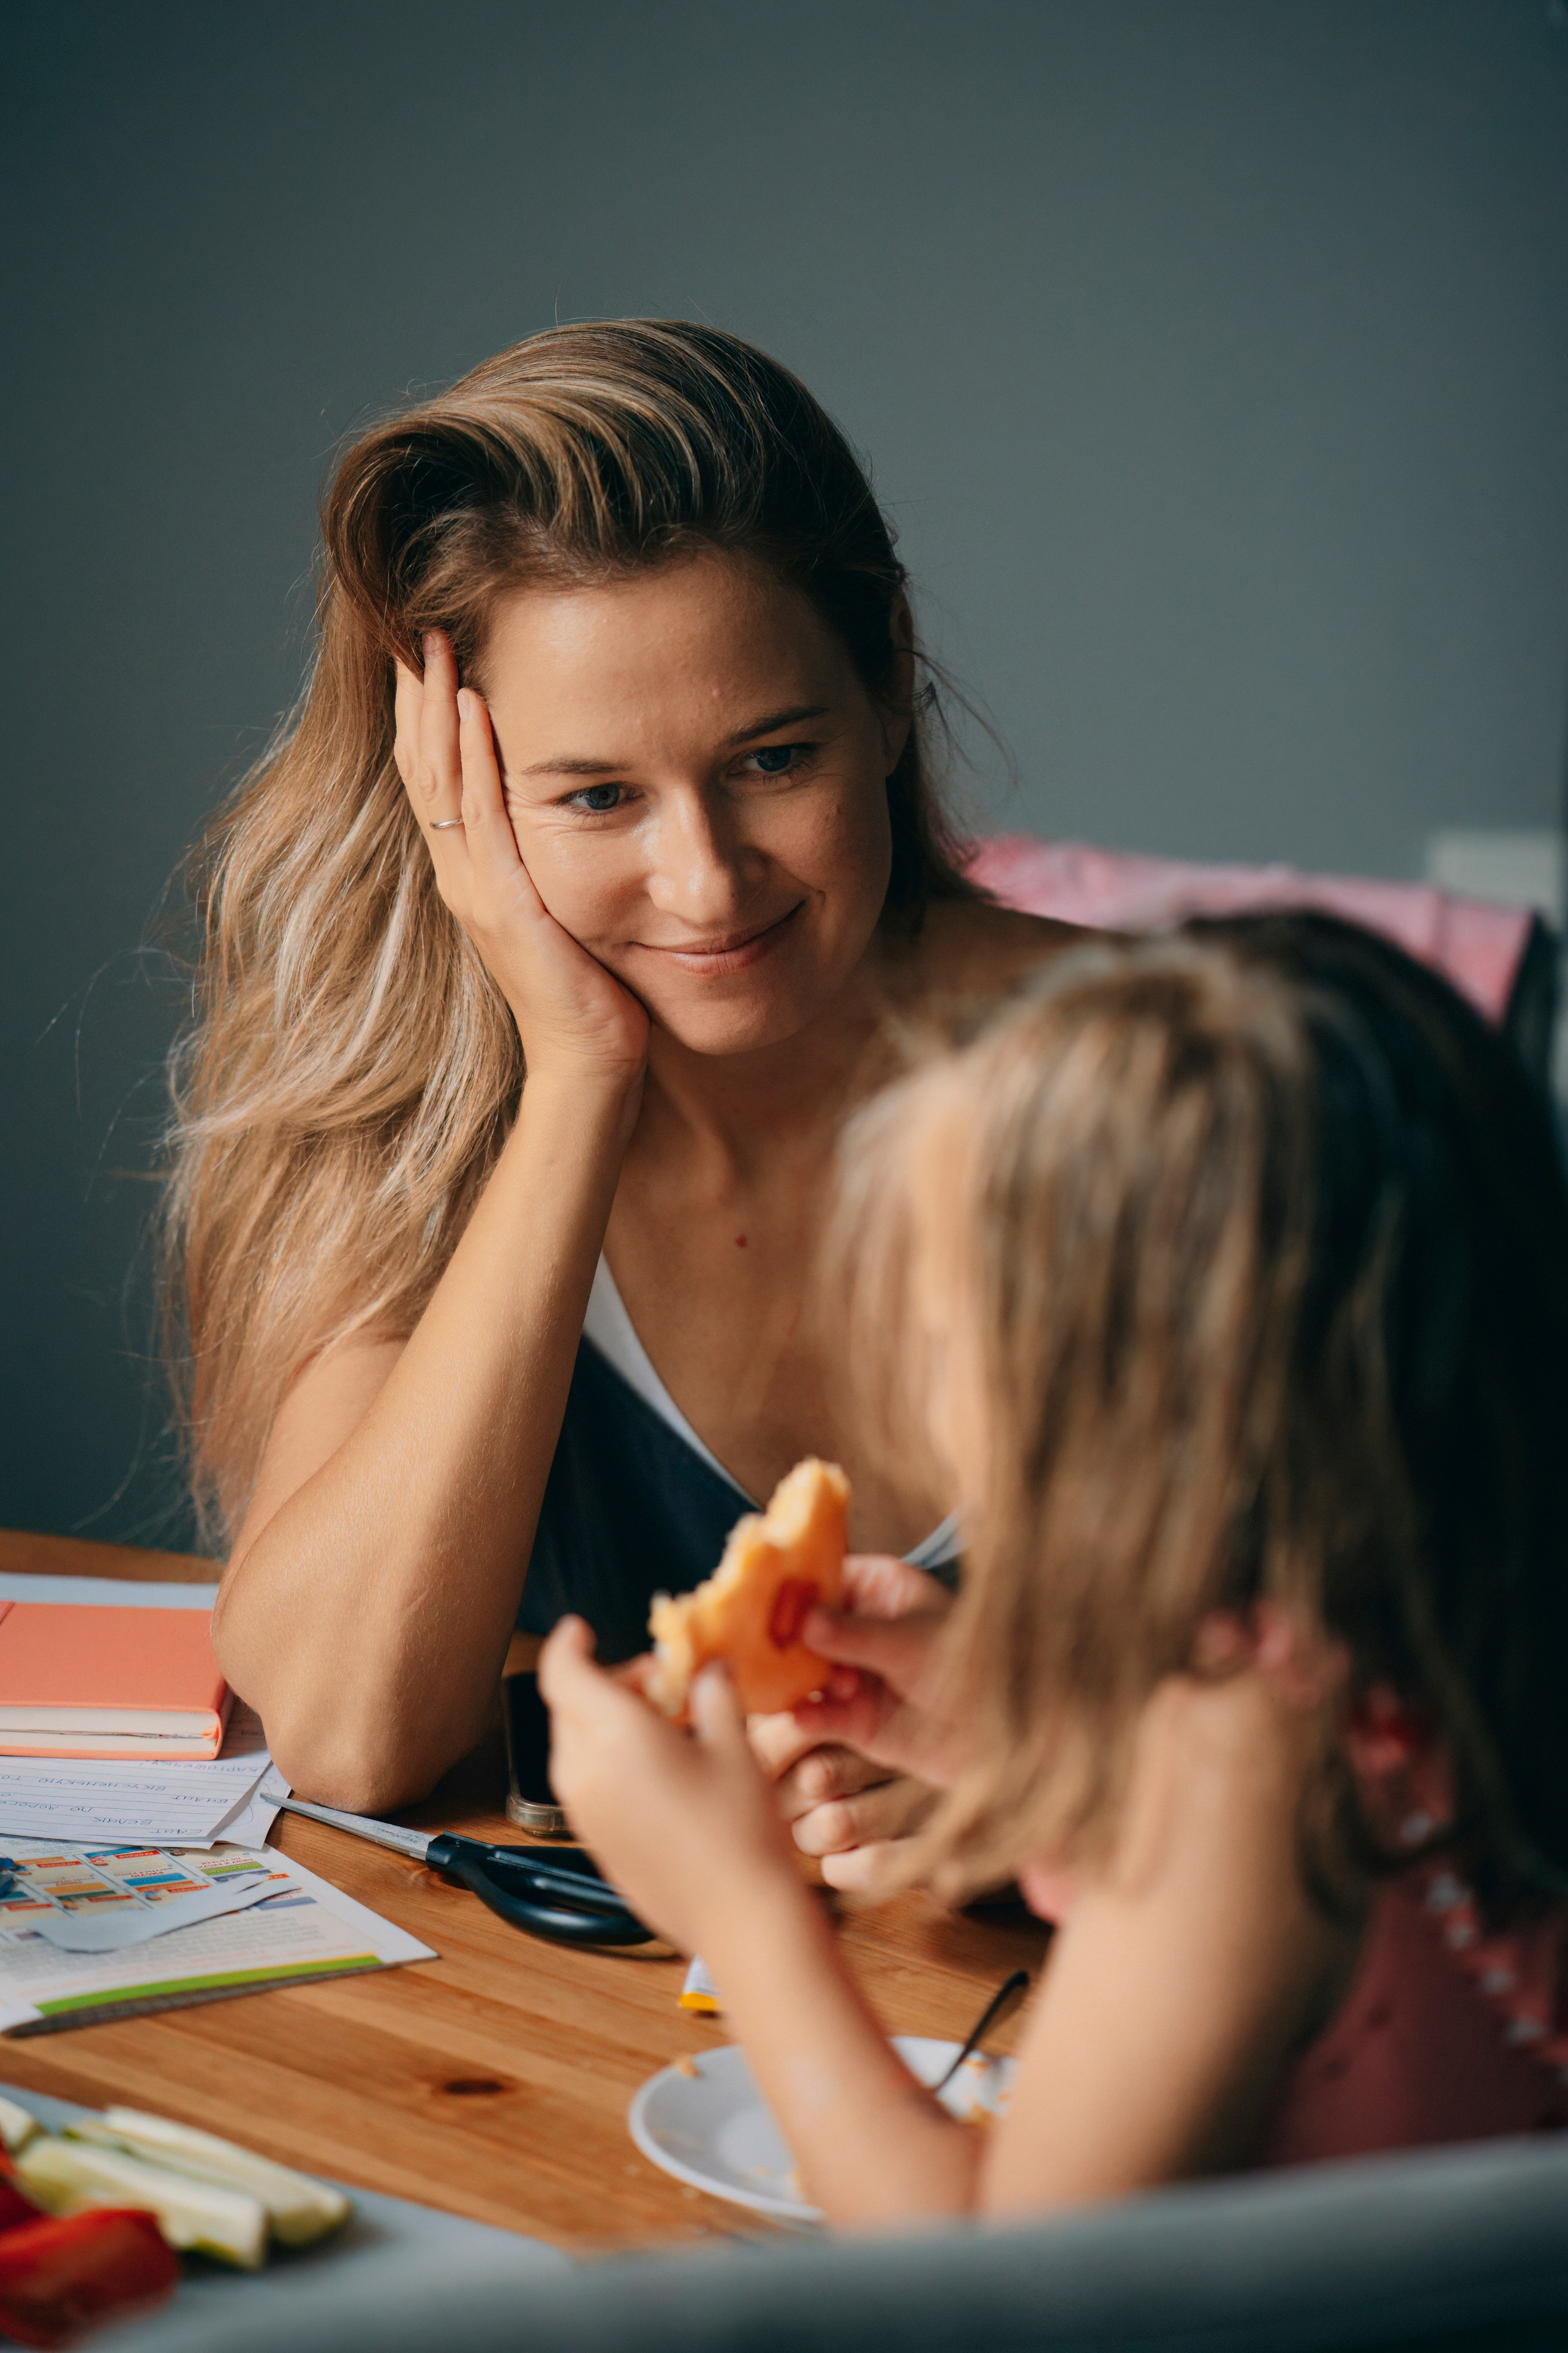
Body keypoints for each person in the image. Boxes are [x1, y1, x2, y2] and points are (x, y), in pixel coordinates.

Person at [168, 320, 1077, 1819]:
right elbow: (344, 1732)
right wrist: (579, 1081)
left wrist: (1057, 1768)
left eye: (772, 760)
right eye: (596, 796)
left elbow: (1436, 1688)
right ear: (450, 792)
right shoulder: (429, 1127)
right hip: (585, 2046)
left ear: (887, 681)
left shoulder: (1160, 1075)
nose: (707, 883)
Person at [540, 915, 1568, 2226]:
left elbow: (1004, 2297)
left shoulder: (1239, 1760)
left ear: (1114, 1396)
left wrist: (734, 1909)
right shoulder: (1426, 1642)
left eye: (943, 1317)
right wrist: (1028, 1741)